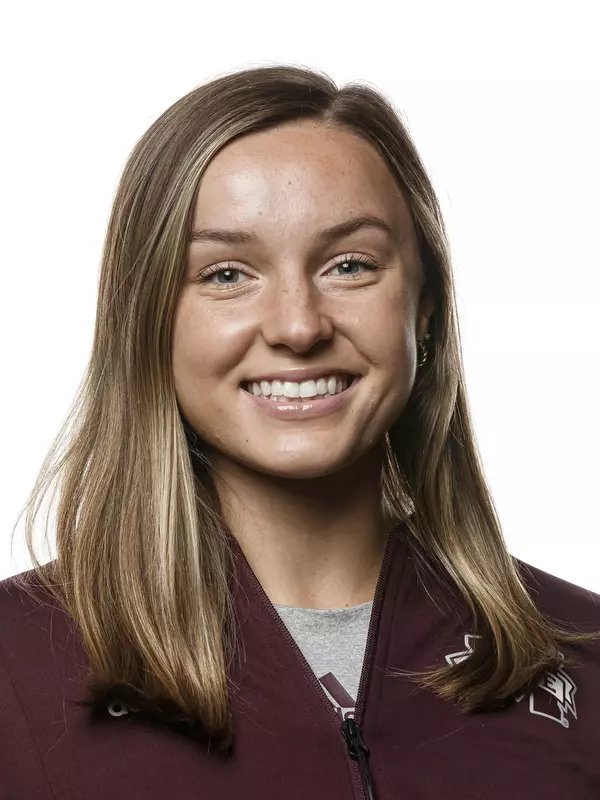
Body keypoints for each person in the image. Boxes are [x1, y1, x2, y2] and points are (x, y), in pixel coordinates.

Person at [1, 65, 599, 800]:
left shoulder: (585, 656)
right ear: (148, 319)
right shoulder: (13, 666)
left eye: (350, 265)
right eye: (225, 274)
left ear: (426, 308)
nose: (297, 326)